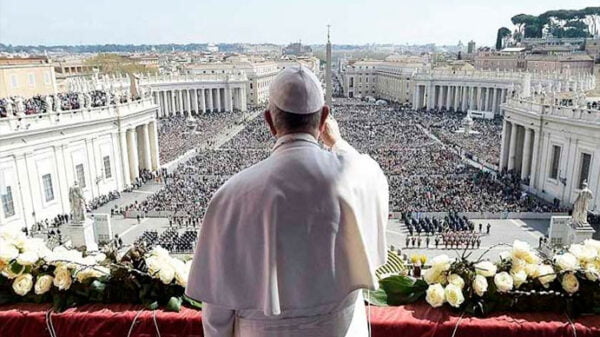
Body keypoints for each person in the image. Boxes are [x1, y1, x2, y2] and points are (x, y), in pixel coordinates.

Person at [186, 66, 389, 337]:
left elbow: (217, 308)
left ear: (269, 121)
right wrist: (337, 142)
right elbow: (371, 172)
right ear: (324, 118)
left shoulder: (232, 195)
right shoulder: (356, 176)